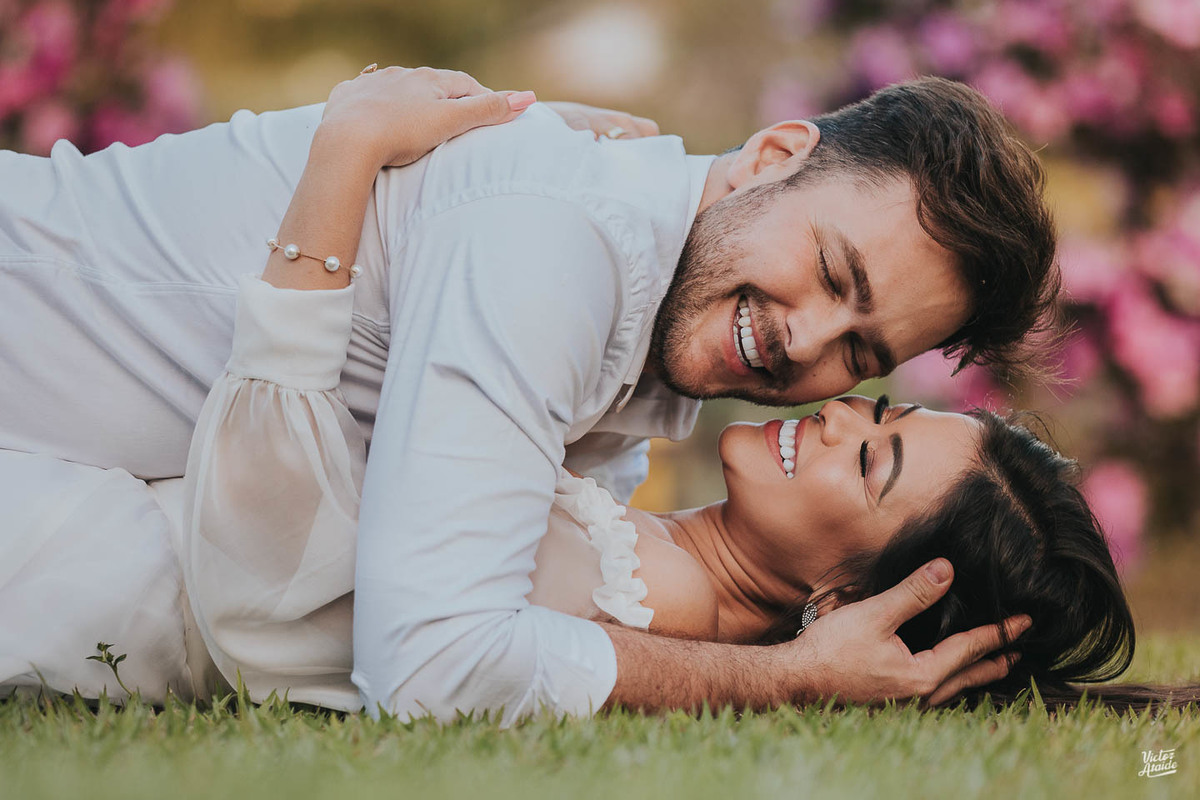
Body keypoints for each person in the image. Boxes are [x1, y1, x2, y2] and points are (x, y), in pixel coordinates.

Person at [0, 65, 1058, 721]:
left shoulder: (631, 302)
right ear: (772, 155)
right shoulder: (558, 241)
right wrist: (787, 678)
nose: (806, 353)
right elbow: (431, 660)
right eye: (833, 273)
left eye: (860, 351)